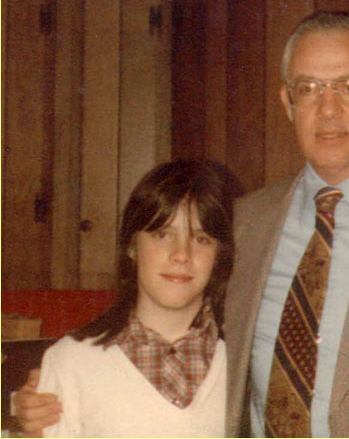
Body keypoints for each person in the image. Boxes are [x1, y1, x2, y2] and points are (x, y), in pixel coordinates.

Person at [14, 12, 349, 438]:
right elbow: (172, 334)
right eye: (309, 89)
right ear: (287, 102)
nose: (328, 109)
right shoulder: (247, 221)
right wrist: (48, 393)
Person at [19, 159, 236, 437]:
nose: (181, 254)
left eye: (201, 239)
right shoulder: (71, 363)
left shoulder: (243, 363)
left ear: (219, 256)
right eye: (162, 234)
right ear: (132, 246)